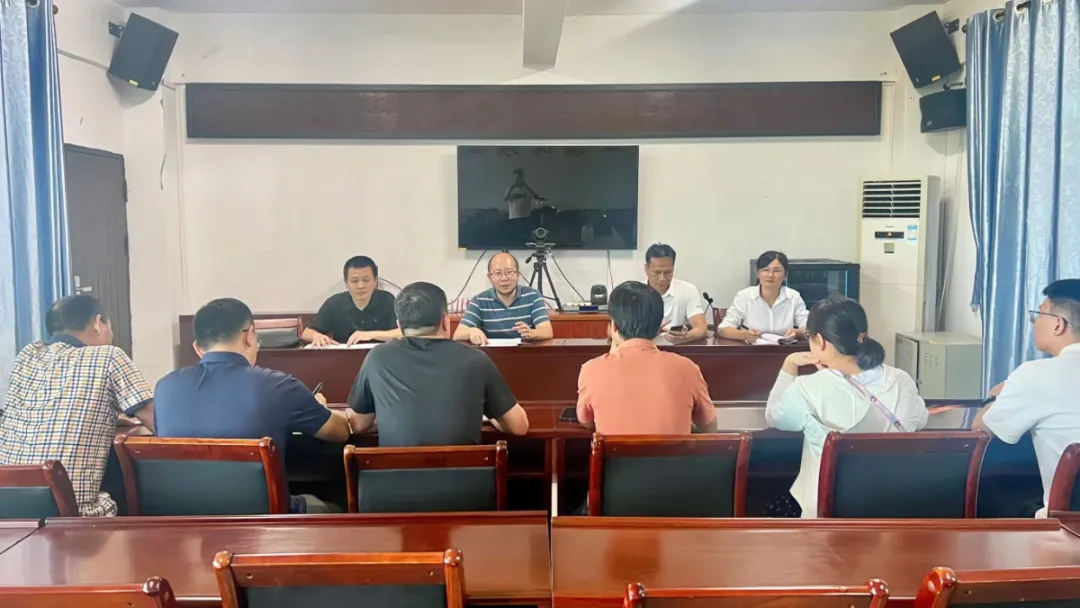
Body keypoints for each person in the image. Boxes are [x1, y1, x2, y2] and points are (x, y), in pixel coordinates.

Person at [154, 298, 354, 513]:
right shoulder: (279, 386)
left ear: (197, 348)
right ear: (249, 336)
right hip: (266, 518)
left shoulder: (164, 387)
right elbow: (340, 432)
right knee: (339, 511)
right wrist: (319, 407)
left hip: (183, 518)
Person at [764, 298, 928, 518]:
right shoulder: (902, 379)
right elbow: (920, 420)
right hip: (892, 513)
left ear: (820, 341)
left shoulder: (807, 388)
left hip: (826, 517)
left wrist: (789, 364)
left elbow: (774, 416)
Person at [0, 295, 156, 517]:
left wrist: (109, 415)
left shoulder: (27, 355)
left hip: (9, 509)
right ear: (98, 323)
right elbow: (157, 421)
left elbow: (49, 408)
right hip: (72, 514)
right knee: (129, 488)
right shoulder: (108, 356)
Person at [348, 281, 530, 445]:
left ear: (399, 325)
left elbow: (358, 424)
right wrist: (489, 415)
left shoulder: (377, 357)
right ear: (445, 321)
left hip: (395, 472)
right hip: (465, 472)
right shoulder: (476, 359)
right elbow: (519, 426)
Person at [974, 279, 1080, 517]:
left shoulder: (1037, 374)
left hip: (1066, 528)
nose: (1035, 323)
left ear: (1059, 324)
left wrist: (994, 397)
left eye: (1039, 314)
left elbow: (981, 430)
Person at [577, 281, 717, 435]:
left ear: (614, 326)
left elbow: (586, 421)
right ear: (658, 327)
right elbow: (709, 428)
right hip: (673, 452)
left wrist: (614, 348)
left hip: (615, 452)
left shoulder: (591, 369)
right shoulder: (687, 368)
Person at [454, 252, 554, 345]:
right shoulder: (479, 301)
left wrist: (532, 333)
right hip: (491, 356)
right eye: (498, 273)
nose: (504, 278)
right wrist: (471, 331)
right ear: (490, 277)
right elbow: (457, 334)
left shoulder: (533, 296)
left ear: (518, 275)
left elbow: (547, 331)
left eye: (509, 272)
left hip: (524, 354)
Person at [302, 256, 401, 346]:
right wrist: (316, 336)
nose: (360, 286)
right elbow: (306, 333)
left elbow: (403, 333)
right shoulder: (334, 303)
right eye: (354, 281)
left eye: (366, 280)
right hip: (344, 356)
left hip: (380, 356)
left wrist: (371, 335)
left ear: (375, 281)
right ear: (346, 283)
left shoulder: (387, 300)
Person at [718, 251, 810, 344]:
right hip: (752, 350)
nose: (770, 275)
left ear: (785, 275)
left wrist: (797, 333)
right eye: (765, 270)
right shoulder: (744, 296)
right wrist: (745, 335)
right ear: (758, 274)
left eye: (776, 270)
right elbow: (723, 329)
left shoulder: (794, 297)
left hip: (785, 349)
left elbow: (810, 329)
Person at [643, 243, 708, 344]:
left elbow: (702, 329)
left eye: (668, 272)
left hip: (677, 348)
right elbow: (619, 334)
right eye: (657, 272)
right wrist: (652, 333)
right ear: (646, 269)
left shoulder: (687, 290)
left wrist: (683, 338)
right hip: (644, 348)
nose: (662, 278)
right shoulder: (634, 293)